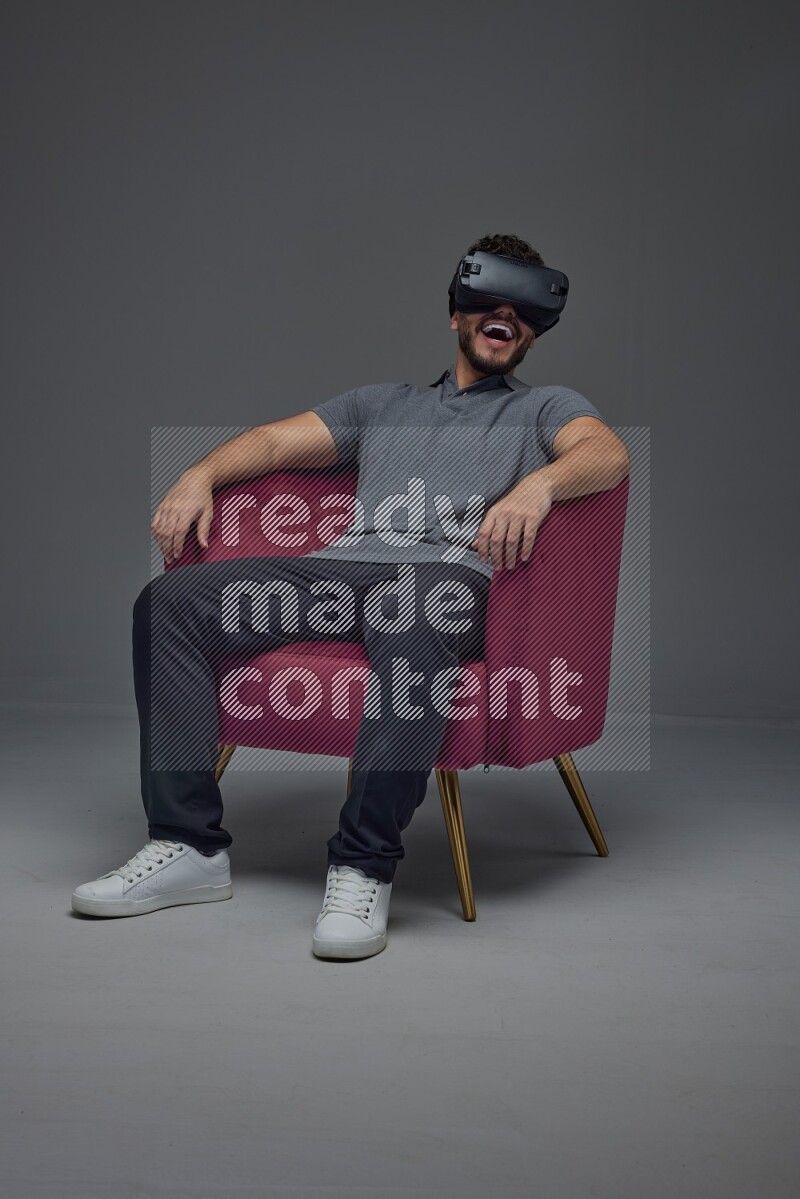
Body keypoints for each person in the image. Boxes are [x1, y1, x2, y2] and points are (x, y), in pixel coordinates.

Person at [71, 232, 629, 960]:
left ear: (533, 331)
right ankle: (186, 846)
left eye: (521, 312)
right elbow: (272, 444)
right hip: (340, 574)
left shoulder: (546, 406)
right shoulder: (381, 404)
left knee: (414, 605)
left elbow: (606, 451)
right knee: (170, 601)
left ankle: (362, 863)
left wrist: (540, 482)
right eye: (487, 304)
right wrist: (198, 474)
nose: (504, 318)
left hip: (444, 580)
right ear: (455, 313)